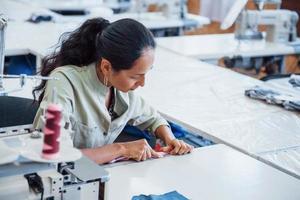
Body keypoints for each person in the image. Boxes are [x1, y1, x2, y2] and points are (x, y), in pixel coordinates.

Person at [33, 17, 193, 164]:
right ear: (106, 67)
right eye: (135, 76)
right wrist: (121, 149)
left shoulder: (120, 90)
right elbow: (54, 154)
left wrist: (170, 139)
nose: (142, 83)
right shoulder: (63, 82)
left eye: (146, 73)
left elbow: (152, 119)